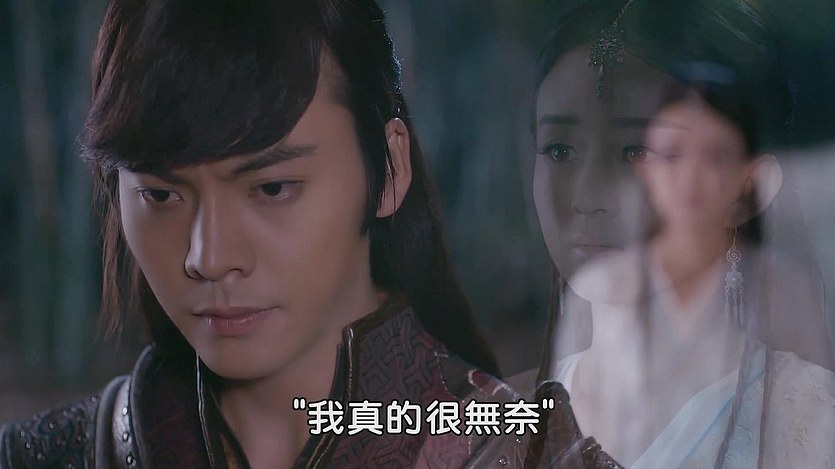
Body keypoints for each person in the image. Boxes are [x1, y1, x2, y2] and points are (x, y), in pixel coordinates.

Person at [0, 1, 514, 467]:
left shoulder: (519, 452)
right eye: (160, 195)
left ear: (390, 170)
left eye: (272, 188)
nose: (209, 257)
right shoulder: (46, 456)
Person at [530, 0, 835, 466]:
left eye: (635, 151)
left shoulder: (804, 414)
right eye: (558, 150)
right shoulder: (511, 414)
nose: (586, 195)